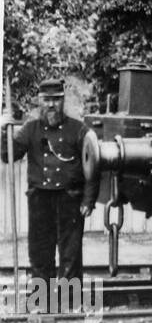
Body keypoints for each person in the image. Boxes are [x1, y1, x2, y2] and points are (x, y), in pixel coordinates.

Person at [1, 79, 99, 297]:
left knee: (70, 254)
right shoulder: (30, 128)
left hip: (70, 200)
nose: (51, 105)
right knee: (39, 253)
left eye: (56, 100)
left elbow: (93, 165)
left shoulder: (78, 129)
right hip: (40, 201)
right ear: (39, 102)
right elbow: (8, 155)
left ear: (63, 101)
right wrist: (2, 130)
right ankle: (41, 300)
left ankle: (68, 300)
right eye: (47, 100)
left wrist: (88, 200)